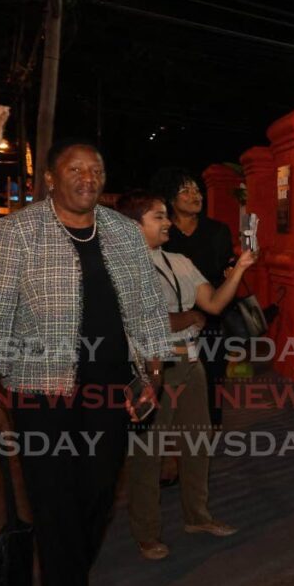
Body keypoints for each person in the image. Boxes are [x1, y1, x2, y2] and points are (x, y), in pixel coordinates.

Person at [0, 139, 171, 586]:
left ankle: (64, 571)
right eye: (75, 168)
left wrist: (153, 370)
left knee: (95, 494)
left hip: (108, 388)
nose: (87, 177)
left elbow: (146, 306)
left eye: (96, 169)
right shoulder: (17, 231)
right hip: (38, 389)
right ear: (50, 178)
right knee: (53, 501)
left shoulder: (123, 234)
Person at [116, 191, 255, 560]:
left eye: (166, 216)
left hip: (190, 363)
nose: (167, 223)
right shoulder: (123, 268)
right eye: (158, 217)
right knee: (149, 454)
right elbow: (140, 322)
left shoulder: (179, 260)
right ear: (134, 225)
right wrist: (186, 319)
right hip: (149, 370)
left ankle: (198, 516)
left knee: (198, 442)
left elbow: (211, 305)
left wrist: (240, 269)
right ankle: (146, 533)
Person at [151, 167, 235, 429]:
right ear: (171, 200)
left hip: (210, 314)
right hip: (173, 321)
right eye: (185, 191)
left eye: (197, 190)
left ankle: (211, 426)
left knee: (213, 374)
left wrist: (232, 272)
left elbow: (224, 270)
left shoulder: (217, 230)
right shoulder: (163, 235)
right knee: (172, 380)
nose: (195, 195)